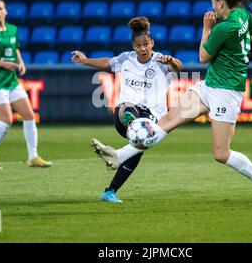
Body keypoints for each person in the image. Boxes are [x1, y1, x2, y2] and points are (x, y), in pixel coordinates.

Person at [91, 0, 252, 211]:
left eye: (213, 3)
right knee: (168, 120)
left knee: (221, 153)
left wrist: (207, 29)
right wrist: (240, 40)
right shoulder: (242, 16)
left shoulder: (223, 27)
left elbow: (203, 56)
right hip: (209, 85)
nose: (212, 7)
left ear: (221, 3)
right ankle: (119, 156)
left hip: (227, 93)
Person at [72, 17, 182, 203]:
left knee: (137, 150)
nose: (143, 49)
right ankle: (133, 123)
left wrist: (171, 61)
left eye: (146, 44)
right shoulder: (126, 59)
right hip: (125, 113)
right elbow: (108, 62)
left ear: (152, 42)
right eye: (139, 46)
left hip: (153, 117)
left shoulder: (161, 61)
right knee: (129, 109)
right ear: (133, 46)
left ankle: (110, 191)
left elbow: (178, 67)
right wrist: (85, 60)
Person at [0, 0, 52, 170]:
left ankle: (33, 157)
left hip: (11, 81)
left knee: (29, 115)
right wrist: (4, 64)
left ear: (5, 11)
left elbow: (15, 47)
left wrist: (21, 62)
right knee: (7, 119)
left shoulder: (13, 30)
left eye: (0, 8)